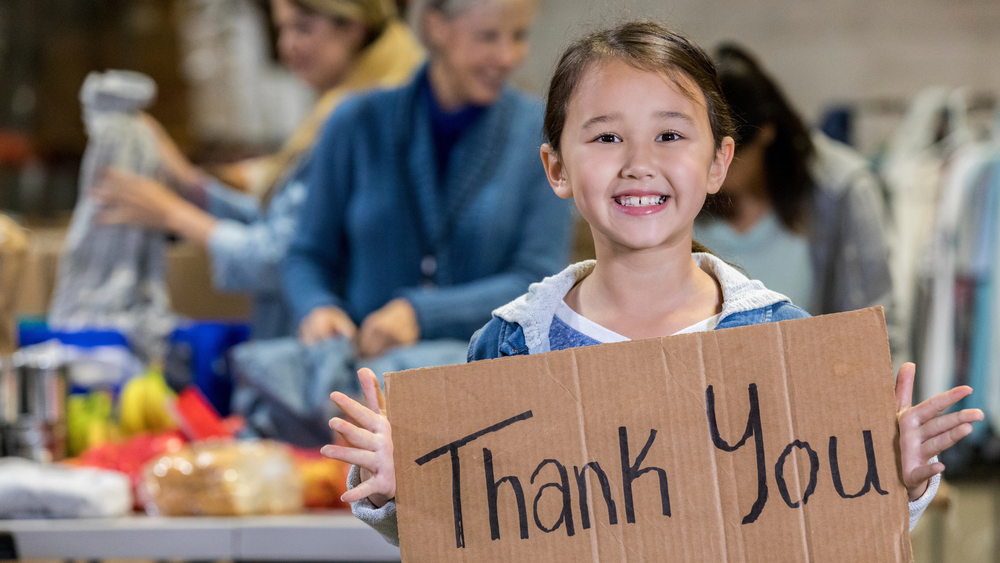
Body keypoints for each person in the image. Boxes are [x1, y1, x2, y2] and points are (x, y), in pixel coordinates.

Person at [318, 21, 985, 546]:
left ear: (718, 160)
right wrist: (408, 486)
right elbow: (477, 530)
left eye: (670, 133)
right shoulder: (508, 345)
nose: (640, 164)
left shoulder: (785, 340)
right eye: (606, 137)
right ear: (555, 167)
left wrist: (894, 478)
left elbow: (827, 523)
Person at [91, 0, 424, 339]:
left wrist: (175, 215)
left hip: (335, 345)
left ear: (353, 29)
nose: (287, 46)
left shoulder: (365, 126)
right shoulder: (343, 110)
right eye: (281, 29)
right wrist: (192, 186)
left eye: (303, 29)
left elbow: (284, 256)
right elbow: (288, 221)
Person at [282, 0, 572, 360]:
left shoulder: (539, 135)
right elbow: (308, 253)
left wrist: (421, 314)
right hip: (358, 372)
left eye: (518, 36)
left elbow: (539, 279)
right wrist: (318, 307)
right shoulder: (355, 124)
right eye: (487, 37)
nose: (507, 56)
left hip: (485, 374)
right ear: (436, 27)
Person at [694, 44, 907, 361]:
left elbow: (874, 322)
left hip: (810, 386)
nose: (717, 167)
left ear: (766, 133)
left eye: (731, 155)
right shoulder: (682, 186)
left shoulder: (840, 189)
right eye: (704, 152)